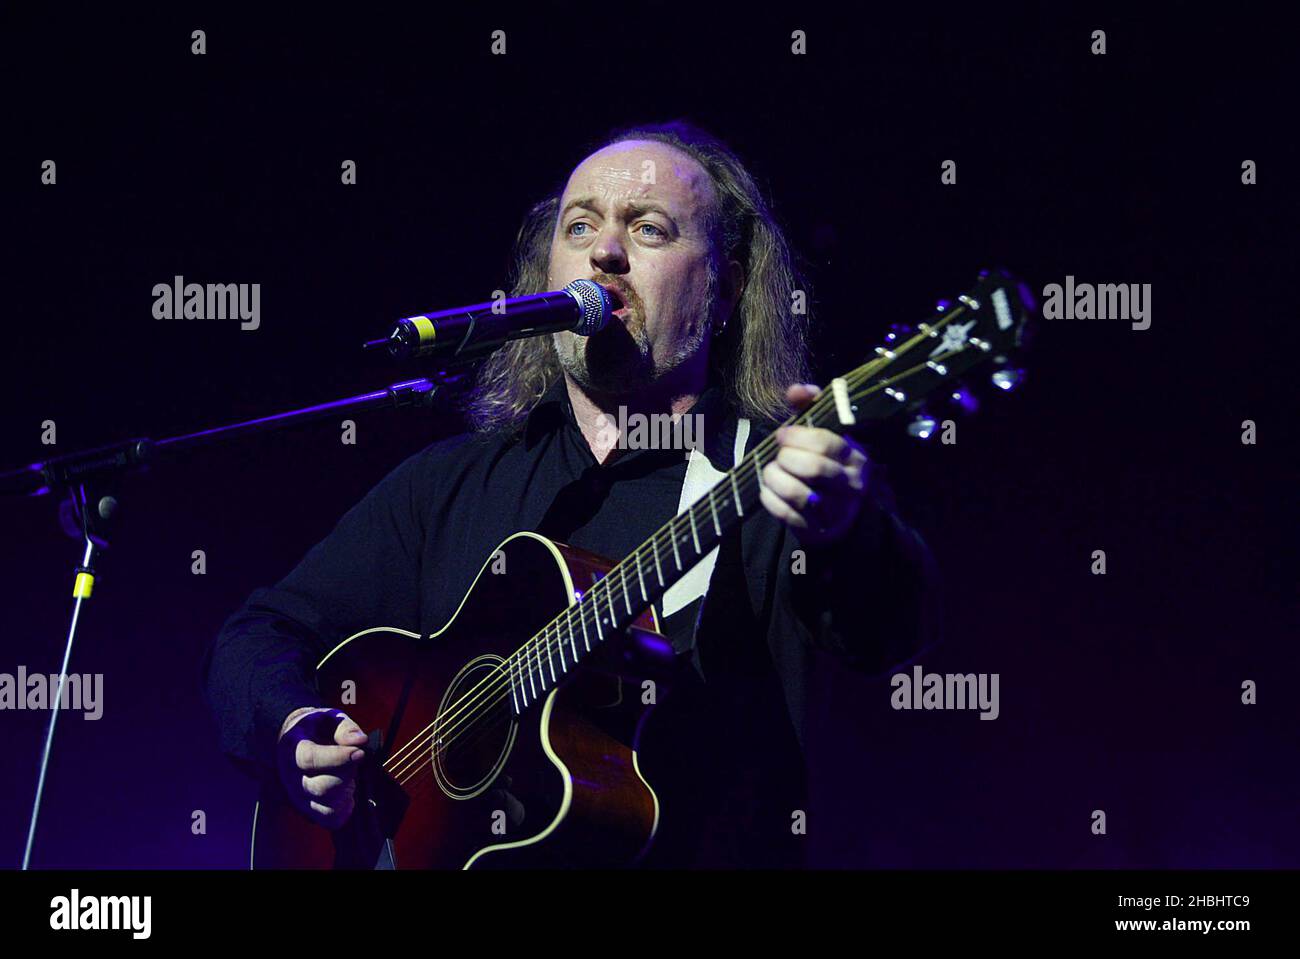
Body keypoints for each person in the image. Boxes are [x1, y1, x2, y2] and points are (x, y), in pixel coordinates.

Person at [202, 120, 939, 868]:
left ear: (728, 287)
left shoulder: (770, 476)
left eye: (648, 229)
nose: (605, 251)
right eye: (579, 224)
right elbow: (257, 634)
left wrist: (850, 526)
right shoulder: (450, 484)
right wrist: (297, 725)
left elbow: (884, 630)